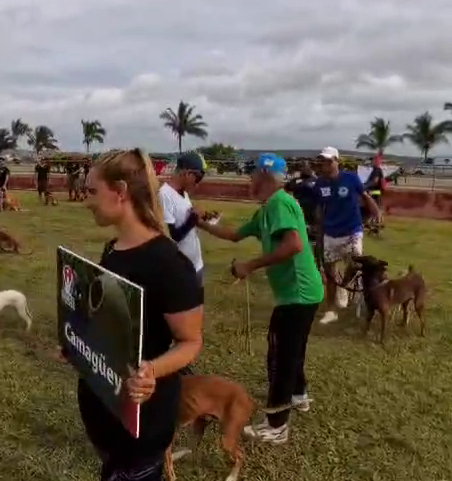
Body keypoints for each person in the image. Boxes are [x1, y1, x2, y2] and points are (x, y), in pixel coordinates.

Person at [69, 148, 203, 481]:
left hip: (146, 400)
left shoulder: (169, 264)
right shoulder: (113, 248)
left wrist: (152, 371)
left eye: (92, 191)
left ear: (121, 192)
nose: (85, 199)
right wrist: (77, 339)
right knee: (111, 462)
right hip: (104, 391)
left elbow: (191, 343)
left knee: (145, 476)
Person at [197, 153, 324, 444]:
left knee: (280, 356)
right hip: (299, 294)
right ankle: (298, 395)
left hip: (299, 294)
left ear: (266, 176)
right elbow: (234, 235)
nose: (250, 180)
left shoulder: (280, 203)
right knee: (291, 349)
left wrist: (249, 266)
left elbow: (294, 244)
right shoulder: (267, 209)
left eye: (253, 174)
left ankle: (277, 425)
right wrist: (201, 224)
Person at [313, 147, 380, 325]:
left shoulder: (350, 178)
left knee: (356, 262)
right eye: (323, 161)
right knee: (329, 273)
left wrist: (376, 212)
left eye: (329, 161)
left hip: (352, 230)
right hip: (330, 232)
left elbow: (364, 196)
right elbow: (320, 208)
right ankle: (331, 310)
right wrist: (319, 229)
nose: (325, 164)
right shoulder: (320, 183)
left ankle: (345, 285)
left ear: (337, 161)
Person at [158, 152, 206, 293]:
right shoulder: (164, 195)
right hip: (181, 269)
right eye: (196, 178)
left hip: (196, 264)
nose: (197, 184)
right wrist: (193, 219)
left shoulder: (183, 194)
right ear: (186, 173)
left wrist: (197, 217)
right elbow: (172, 236)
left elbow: (185, 223)